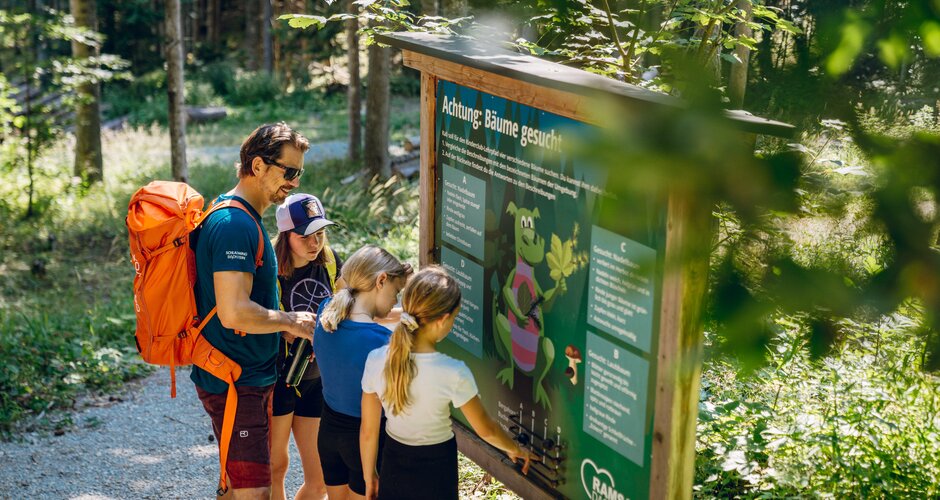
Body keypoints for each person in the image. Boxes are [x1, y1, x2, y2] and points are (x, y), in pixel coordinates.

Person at [191, 122, 317, 500]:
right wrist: (289, 320)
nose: (294, 182)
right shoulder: (233, 224)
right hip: (236, 381)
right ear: (258, 165)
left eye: (299, 173)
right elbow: (233, 311)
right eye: (289, 171)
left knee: (236, 487)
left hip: (247, 377)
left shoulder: (244, 217)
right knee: (255, 493)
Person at [360, 266, 537, 500]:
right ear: (443, 320)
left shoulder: (376, 360)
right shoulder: (453, 372)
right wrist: (515, 449)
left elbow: (369, 432)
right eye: (454, 318)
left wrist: (369, 477)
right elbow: (486, 428)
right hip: (437, 468)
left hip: (394, 461)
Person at [313, 245, 412, 500]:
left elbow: (357, 319)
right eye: (396, 292)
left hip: (328, 434)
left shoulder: (326, 313)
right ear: (381, 280)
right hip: (365, 442)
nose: (394, 302)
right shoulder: (382, 342)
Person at [270, 193, 342, 500]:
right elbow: (249, 319)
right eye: (306, 237)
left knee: (322, 478)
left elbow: (342, 307)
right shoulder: (268, 270)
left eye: (321, 234)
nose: (315, 244)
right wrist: (282, 328)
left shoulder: (330, 262)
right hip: (278, 379)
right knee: (276, 465)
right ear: (287, 236)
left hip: (316, 378)